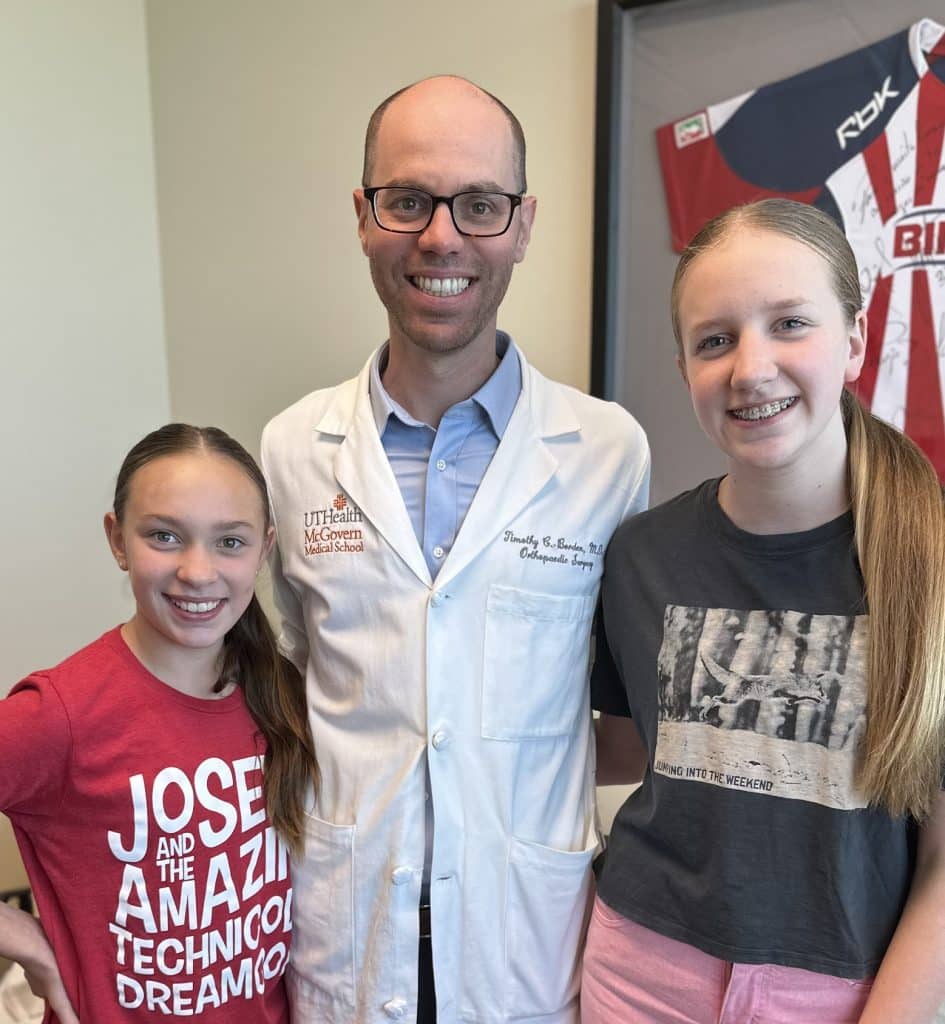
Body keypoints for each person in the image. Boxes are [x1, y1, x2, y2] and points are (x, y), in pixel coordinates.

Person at [261, 75, 650, 1024]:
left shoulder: (605, 451)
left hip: (524, 938)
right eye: (407, 200)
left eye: (480, 205)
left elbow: (624, 714)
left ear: (520, 226)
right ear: (362, 216)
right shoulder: (289, 450)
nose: (442, 238)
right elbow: (287, 695)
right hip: (346, 927)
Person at [585, 198, 945, 1023]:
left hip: (841, 991)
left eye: (788, 324)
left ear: (853, 339)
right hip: (636, 968)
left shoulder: (926, 564)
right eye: (715, 340)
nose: (749, 368)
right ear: (684, 369)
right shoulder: (638, 555)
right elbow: (639, 744)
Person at [0, 424, 317, 1023]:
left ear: (265, 547)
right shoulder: (60, 712)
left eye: (230, 542)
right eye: (165, 536)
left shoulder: (281, 691)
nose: (198, 572)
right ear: (117, 541)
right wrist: (33, 947)